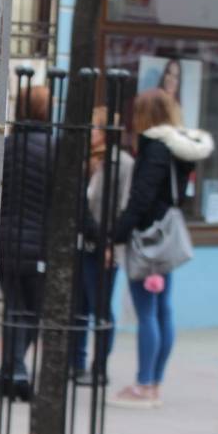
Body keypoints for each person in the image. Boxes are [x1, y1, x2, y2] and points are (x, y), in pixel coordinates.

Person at [109, 89, 213, 408]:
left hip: (148, 238)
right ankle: (154, 382)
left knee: (147, 312)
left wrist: (116, 234)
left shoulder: (155, 147)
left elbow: (140, 198)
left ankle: (144, 385)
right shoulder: (181, 146)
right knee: (163, 308)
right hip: (167, 234)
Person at [73, 106, 135, 384]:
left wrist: (110, 244)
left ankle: (99, 368)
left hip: (105, 246)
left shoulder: (122, 163)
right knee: (77, 307)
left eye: (95, 127)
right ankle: (76, 363)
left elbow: (123, 207)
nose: (90, 132)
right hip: (80, 243)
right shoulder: (84, 161)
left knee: (100, 308)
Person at [0, 85, 50, 394]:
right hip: (38, 244)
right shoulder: (53, 147)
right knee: (32, 311)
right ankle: (15, 370)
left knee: (15, 308)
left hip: (5, 241)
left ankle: (10, 371)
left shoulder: (6, 146)